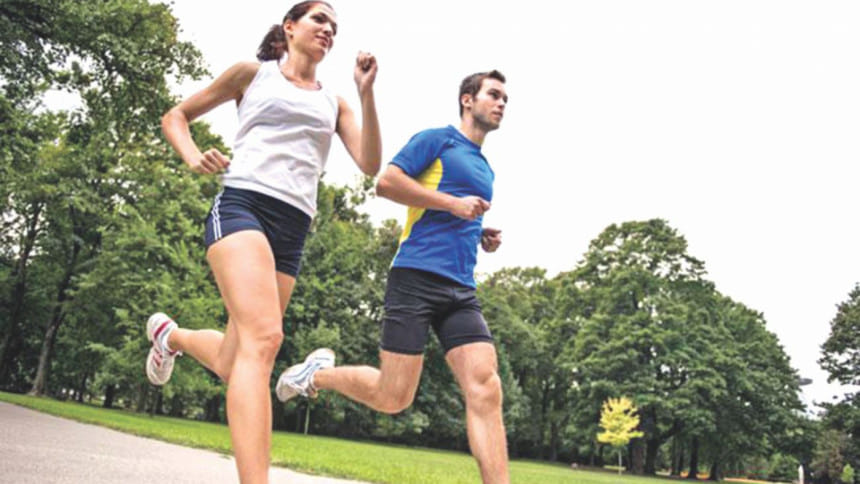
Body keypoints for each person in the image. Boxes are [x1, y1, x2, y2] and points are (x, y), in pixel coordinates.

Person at [146, 2, 381, 482]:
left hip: (293, 229)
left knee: (235, 362)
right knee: (266, 340)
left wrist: (365, 93)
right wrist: (192, 157)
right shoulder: (252, 75)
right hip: (243, 206)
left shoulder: (334, 102)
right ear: (290, 27)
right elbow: (176, 117)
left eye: (334, 26)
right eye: (319, 19)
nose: (328, 29)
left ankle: (170, 336)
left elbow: (371, 163)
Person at [277, 70, 510, 484]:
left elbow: (451, 216)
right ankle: (315, 375)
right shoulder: (437, 140)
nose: (501, 103)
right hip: (415, 277)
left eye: (505, 99)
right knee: (393, 396)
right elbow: (386, 183)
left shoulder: (485, 168)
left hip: (461, 289)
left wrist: (478, 234)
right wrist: (453, 205)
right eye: (493, 95)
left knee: (486, 387)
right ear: (467, 100)